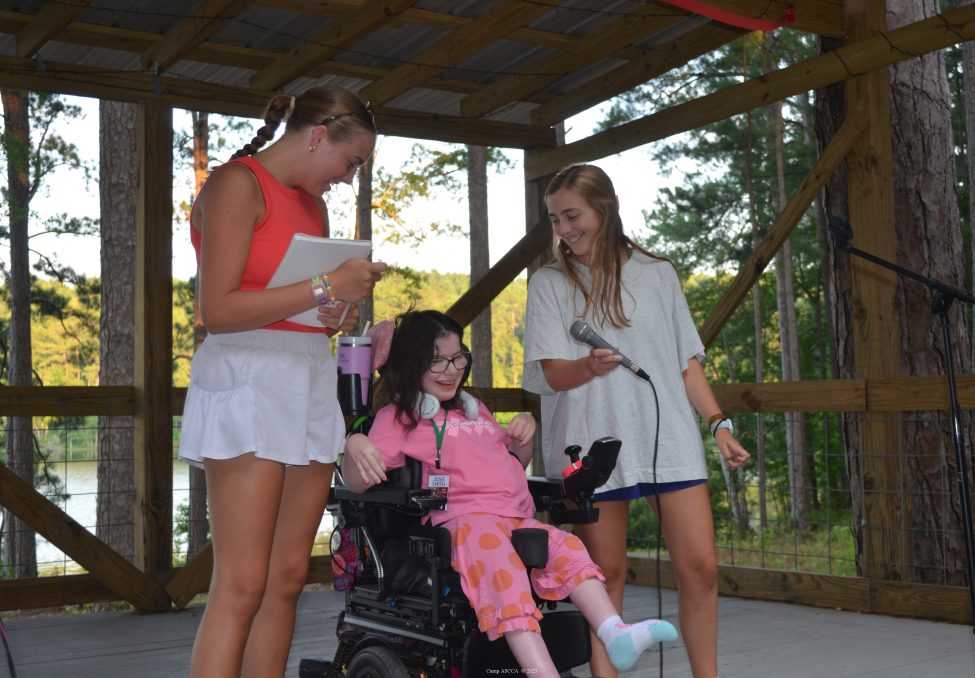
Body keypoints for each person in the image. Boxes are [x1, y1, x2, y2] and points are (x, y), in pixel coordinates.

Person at [178, 86, 387, 678]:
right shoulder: (236, 184)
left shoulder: (314, 207)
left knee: (287, 577)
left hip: (307, 375)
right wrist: (325, 287)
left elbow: (298, 301)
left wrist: (334, 311)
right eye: (350, 162)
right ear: (318, 136)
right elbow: (217, 310)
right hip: (247, 376)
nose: (348, 178)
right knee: (242, 582)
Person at [342, 310, 678, 677]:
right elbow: (357, 485)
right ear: (412, 364)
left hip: (515, 517)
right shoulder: (400, 417)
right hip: (465, 522)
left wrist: (523, 437)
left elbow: (512, 464)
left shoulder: (474, 411)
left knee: (568, 548)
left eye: (458, 358)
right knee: (503, 572)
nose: (452, 370)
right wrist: (355, 443)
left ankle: (616, 633)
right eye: (437, 361)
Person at [522, 164, 751, 678]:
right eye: (555, 220)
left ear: (605, 209)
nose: (564, 229)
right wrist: (588, 367)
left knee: (702, 568)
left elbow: (684, 360)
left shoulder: (658, 273)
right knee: (606, 576)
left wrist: (718, 423)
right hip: (591, 446)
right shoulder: (549, 283)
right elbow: (551, 374)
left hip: (669, 438)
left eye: (572, 215)